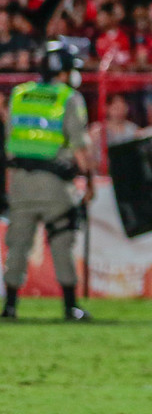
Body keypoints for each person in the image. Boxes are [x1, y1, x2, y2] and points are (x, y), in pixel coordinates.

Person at [1, 40, 94, 321]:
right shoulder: (69, 98)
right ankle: (70, 306)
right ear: (64, 71)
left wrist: (9, 187)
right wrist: (88, 181)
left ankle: (10, 306)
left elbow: (9, 148)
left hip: (21, 182)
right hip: (55, 184)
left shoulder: (19, 94)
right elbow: (80, 147)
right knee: (63, 241)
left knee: (17, 245)